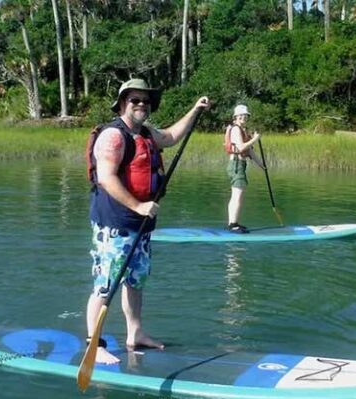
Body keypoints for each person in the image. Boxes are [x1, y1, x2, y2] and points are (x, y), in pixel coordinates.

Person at [85, 78, 209, 364]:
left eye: (146, 101)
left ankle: (135, 333)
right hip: (114, 223)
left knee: (135, 281)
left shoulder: (147, 134)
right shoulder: (113, 136)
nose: (142, 104)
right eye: (135, 100)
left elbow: (172, 137)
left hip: (140, 225)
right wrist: (138, 206)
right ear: (122, 104)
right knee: (106, 283)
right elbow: (105, 178)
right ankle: (95, 343)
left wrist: (195, 110)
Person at [224, 104, 264, 233]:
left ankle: (234, 223)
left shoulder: (243, 130)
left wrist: (262, 165)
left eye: (245, 115)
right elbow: (241, 148)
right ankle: (232, 225)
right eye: (241, 115)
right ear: (235, 117)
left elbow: (250, 152)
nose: (243, 117)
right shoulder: (236, 129)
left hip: (239, 165)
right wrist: (255, 139)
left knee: (238, 195)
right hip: (236, 165)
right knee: (237, 195)